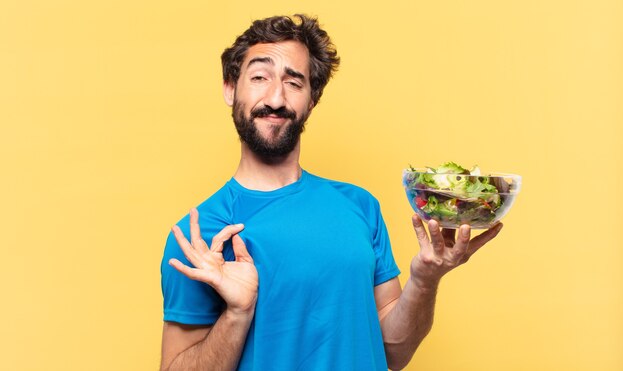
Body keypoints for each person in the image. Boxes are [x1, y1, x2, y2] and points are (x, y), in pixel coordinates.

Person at [159, 14, 503, 371]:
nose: (275, 98)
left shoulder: (359, 206)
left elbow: (393, 352)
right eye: (259, 77)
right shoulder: (200, 235)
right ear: (230, 88)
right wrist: (236, 314)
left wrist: (425, 280)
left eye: (294, 83)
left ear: (312, 99)